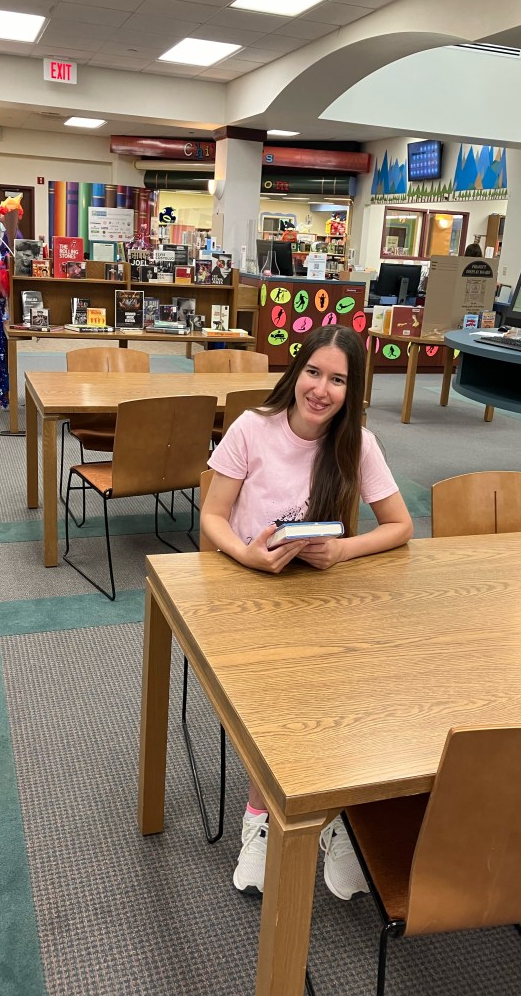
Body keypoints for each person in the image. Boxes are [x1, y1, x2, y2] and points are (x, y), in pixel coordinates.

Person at [201, 324, 413, 900]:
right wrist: (246, 554)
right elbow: (212, 516)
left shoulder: (356, 442)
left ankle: (338, 817)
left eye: (338, 379)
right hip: (253, 590)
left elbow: (401, 526)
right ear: (295, 373)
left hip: (322, 593)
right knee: (271, 708)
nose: (321, 389)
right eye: (313, 373)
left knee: (349, 695)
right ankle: (261, 821)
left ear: (353, 388)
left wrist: (343, 548)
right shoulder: (253, 428)